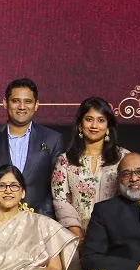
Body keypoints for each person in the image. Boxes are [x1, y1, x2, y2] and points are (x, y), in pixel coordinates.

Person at [51, 97, 130, 239]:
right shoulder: (65, 160)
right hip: (75, 235)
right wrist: (77, 234)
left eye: (101, 120)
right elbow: (60, 200)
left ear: (108, 127)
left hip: (116, 234)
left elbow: (130, 196)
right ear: (80, 125)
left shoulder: (124, 158)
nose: (94, 125)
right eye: (89, 119)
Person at [0, 78, 64, 217]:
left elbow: (57, 187)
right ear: (5, 103)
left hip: (39, 222)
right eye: (16, 101)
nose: (22, 107)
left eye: (28, 101)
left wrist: (40, 218)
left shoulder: (53, 139)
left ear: (36, 104)